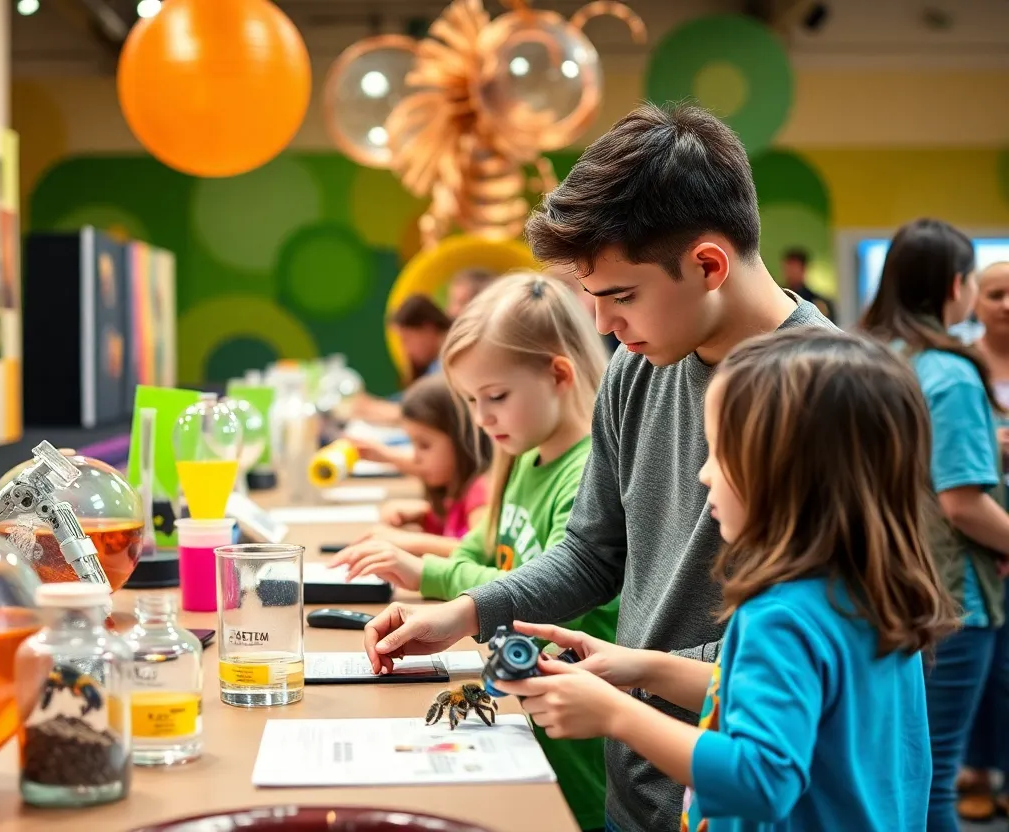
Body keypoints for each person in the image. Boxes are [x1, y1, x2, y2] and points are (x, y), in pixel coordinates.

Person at [358, 102, 834, 831]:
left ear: (708, 264)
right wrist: (467, 613)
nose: (604, 327)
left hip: (745, 790)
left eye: (621, 297)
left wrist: (633, 679)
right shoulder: (636, 370)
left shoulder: (833, 394)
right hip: (635, 779)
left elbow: (830, 643)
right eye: (592, 299)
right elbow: (591, 552)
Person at [493, 328, 953, 831]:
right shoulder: (867, 593)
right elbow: (784, 698)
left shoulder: (779, 616)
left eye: (720, 454)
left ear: (788, 473)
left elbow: (760, 779)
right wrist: (643, 669)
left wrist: (614, 716)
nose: (703, 475)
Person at [335, 272, 615, 832]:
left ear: (559, 374)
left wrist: (436, 576)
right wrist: (436, 599)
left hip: (573, 743)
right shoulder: (522, 458)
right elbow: (481, 550)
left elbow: (561, 599)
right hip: (521, 708)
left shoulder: (583, 470)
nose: (482, 419)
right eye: (471, 401)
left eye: (496, 397)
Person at [860, 219, 1009, 832]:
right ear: (956, 286)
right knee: (933, 778)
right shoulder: (949, 374)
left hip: (880, 587)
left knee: (900, 773)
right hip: (953, 598)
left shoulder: (865, 358)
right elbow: (963, 504)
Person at [959, 261, 1009, 822]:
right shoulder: (961, 363)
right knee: (980, 658)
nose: (1005, 305)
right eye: (994, 294)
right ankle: (974, 772)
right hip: (981, 525)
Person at [342, 373, 492, 559]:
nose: (415, 457)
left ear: (463, 440)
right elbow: (457, 530)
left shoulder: (480, 492)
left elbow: (483, 554)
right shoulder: (458, 492)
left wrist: (405, 540)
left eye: (424, 445)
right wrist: (426, 518)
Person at [349, 294, 452, 425]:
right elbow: (406, 401)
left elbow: (421, 414)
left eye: (406, 339)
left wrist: (372, 407)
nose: (406, 349)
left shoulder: (447, 364)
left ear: (428, 329)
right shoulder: (432, 365)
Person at [780, 248, 834, 320]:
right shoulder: (780, 297)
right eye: (787, 269)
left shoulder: (817, 302)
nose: (790, 273)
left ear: (803, 269)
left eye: (794, 269)